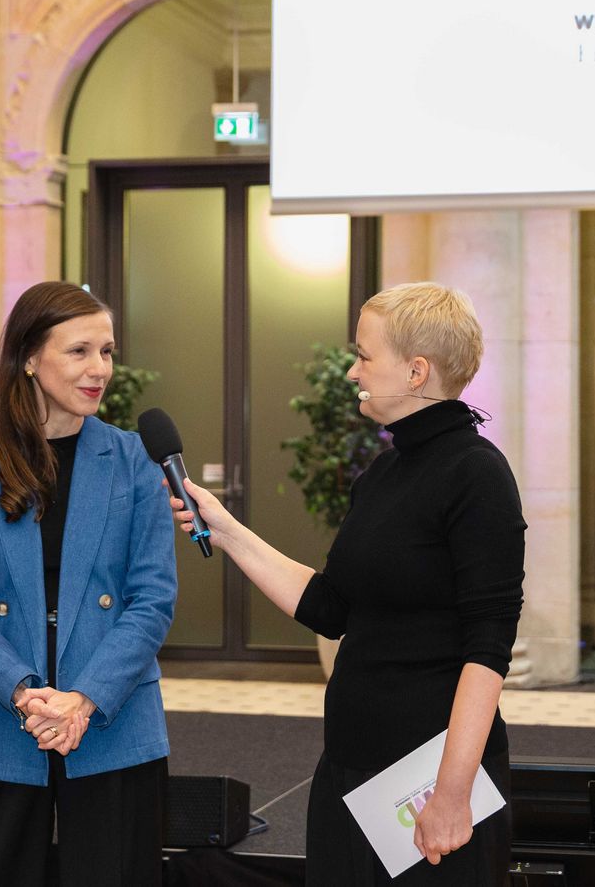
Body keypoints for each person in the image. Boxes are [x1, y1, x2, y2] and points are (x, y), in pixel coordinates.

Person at [170, 282, 527, 885]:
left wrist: (451, 793)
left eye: (364, 355)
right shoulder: (383, 472)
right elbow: (332, 608)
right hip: (350, 767)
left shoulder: (477, 474)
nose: (352, 371)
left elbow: (487, 649)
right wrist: (226, 530)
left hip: (430, 781)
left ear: (416, 371)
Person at [0, 281, 176, 886]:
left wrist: (83, 699)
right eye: (79, 351)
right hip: (1, 721)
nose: (100, 369)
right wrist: (27, 694)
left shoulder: (134, 460)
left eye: (107, 351)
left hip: (112, 719)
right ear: (29, 359)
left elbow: (152, 601)